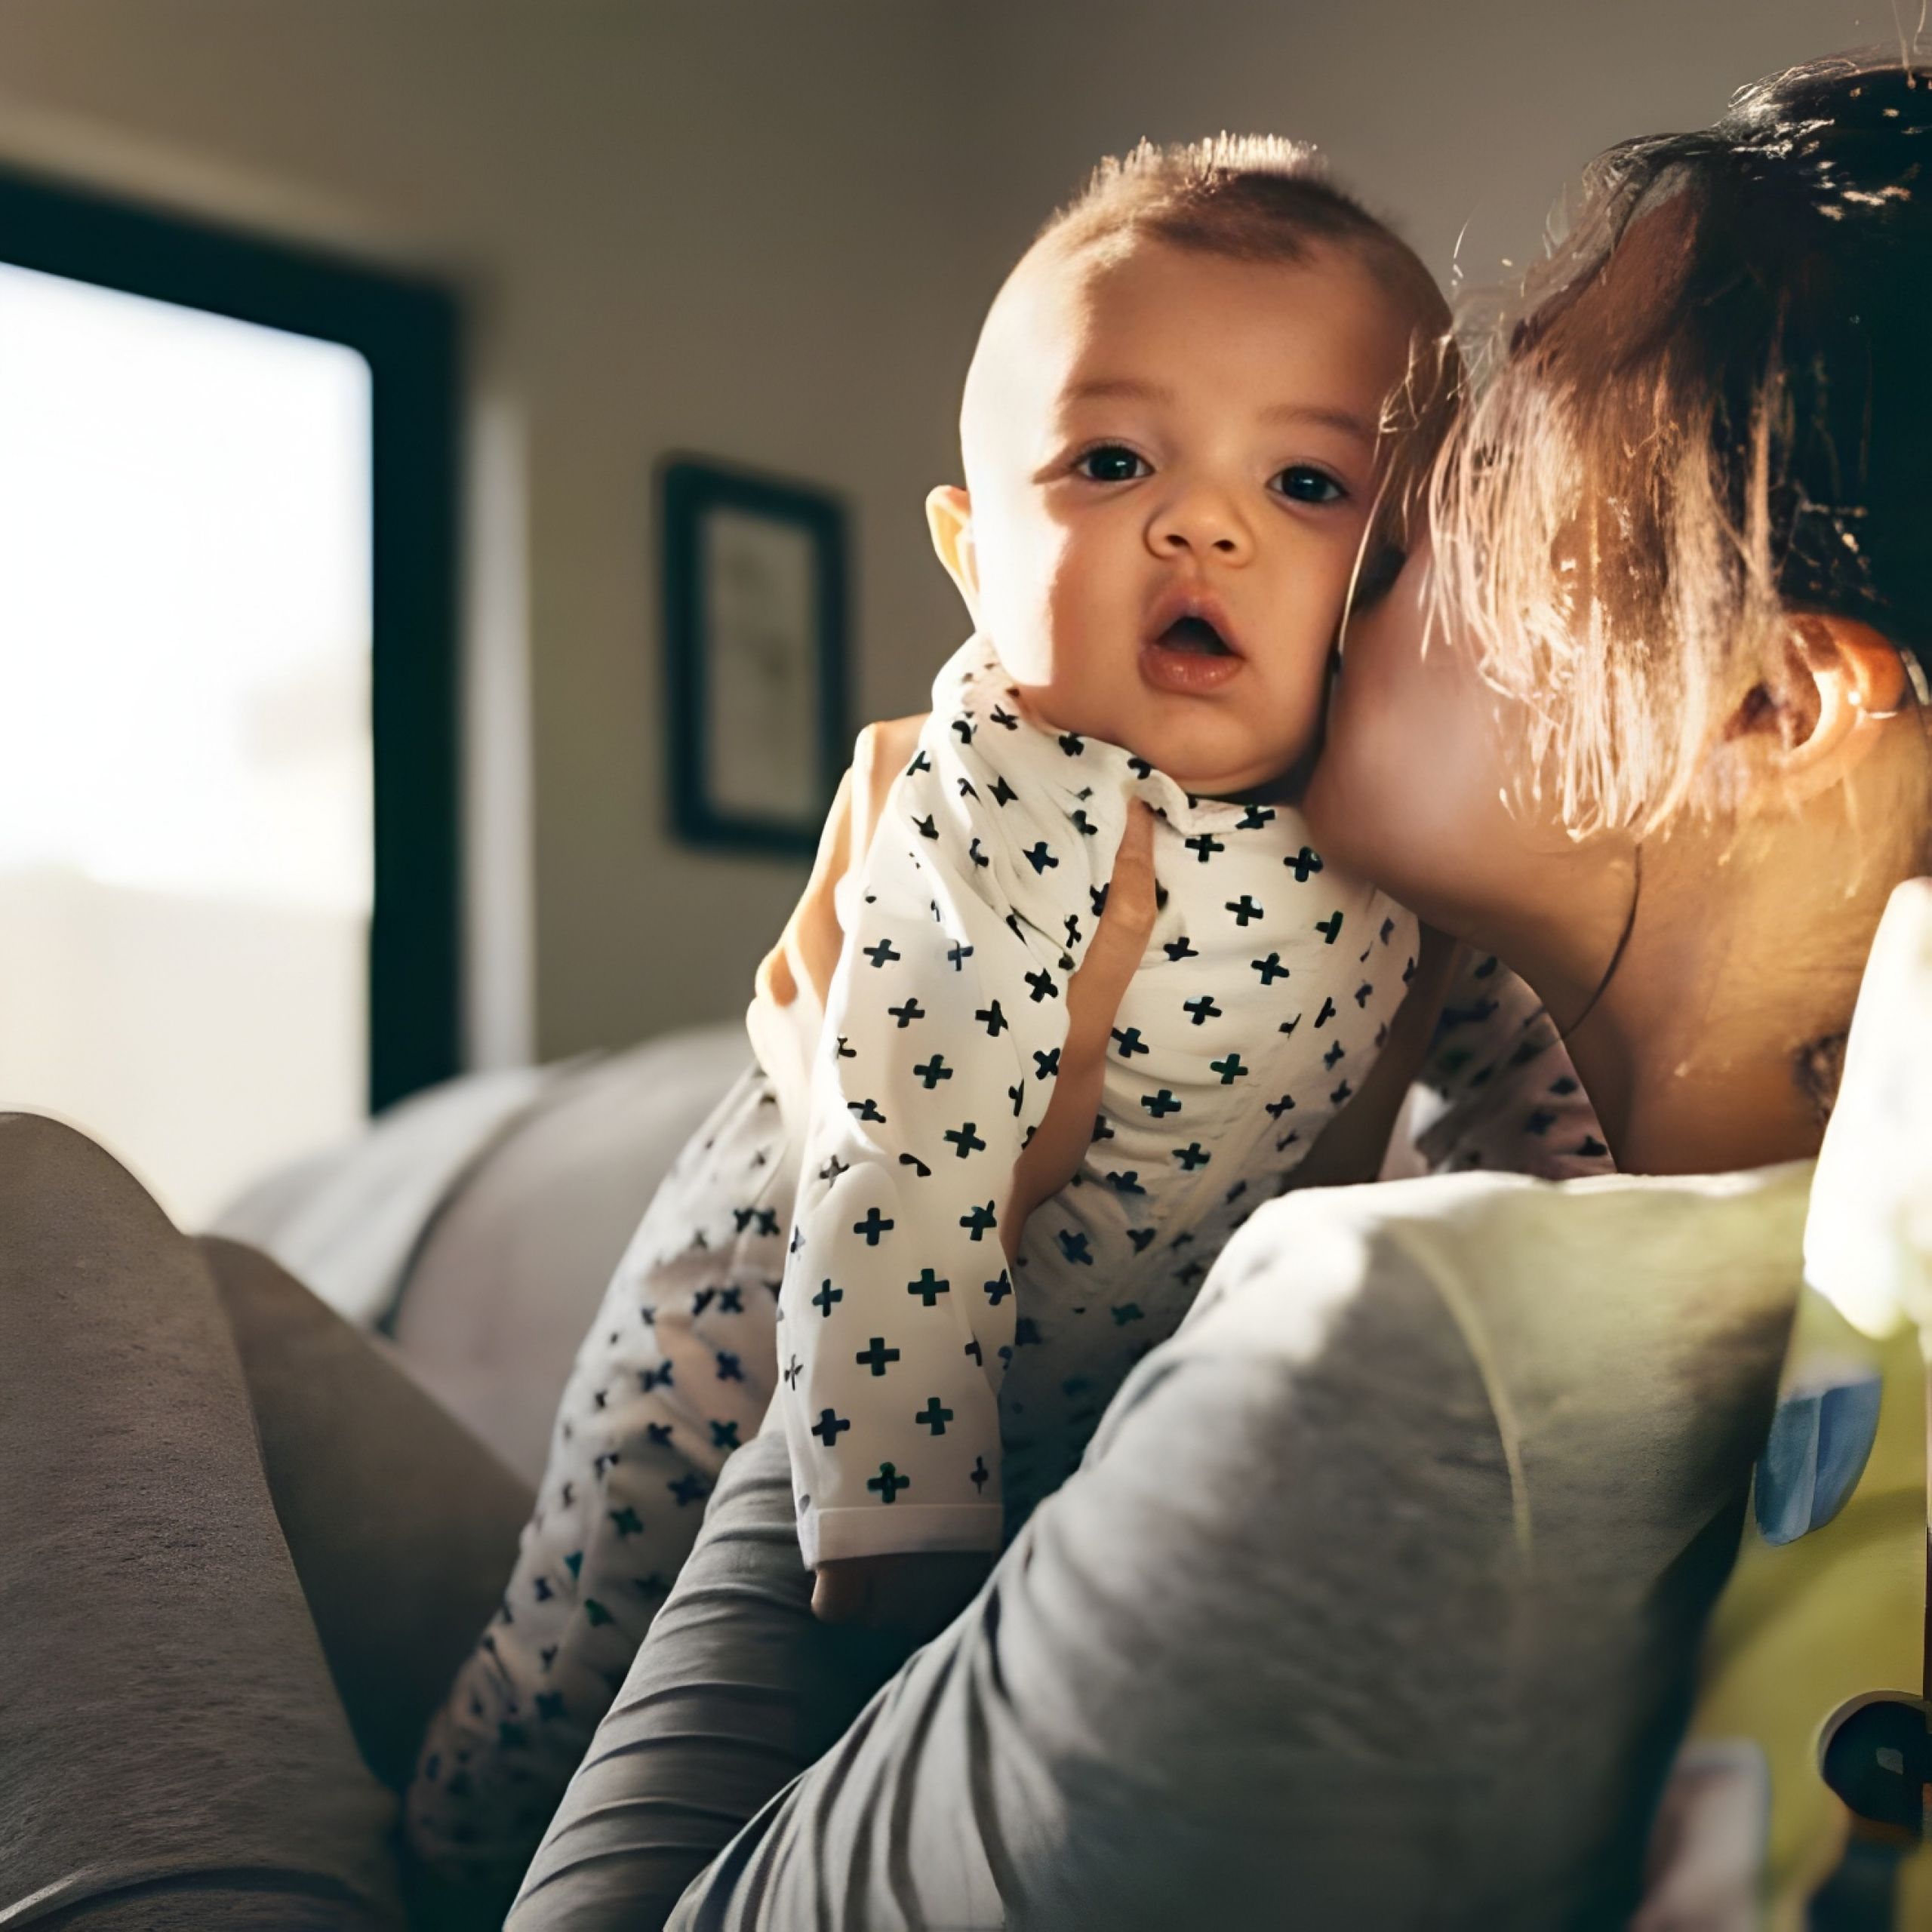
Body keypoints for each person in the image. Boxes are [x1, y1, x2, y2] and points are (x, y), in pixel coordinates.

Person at [2, 44, 1924, 1932]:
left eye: (1474, 462)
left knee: (30, 1218)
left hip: (749, 1637)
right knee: (221, 1310)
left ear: (1773, 699)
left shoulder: (1395, 1381)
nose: (1386, 526)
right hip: (692, 1525)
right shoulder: (1710, 1264)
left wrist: (889, 1133)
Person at [406, 136, 1462, 1901]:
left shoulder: (1394, 818)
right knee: (560, 1680)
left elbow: (1513, 1075)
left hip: (1044, 1413)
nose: (1199, 521)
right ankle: (434, 1851)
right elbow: (909, 1125)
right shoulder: (1006, 773)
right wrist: (892, 1487)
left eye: (1305, 481)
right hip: (764, 1366)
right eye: (1110, 459)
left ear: (1414, 556)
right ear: (972, 554)